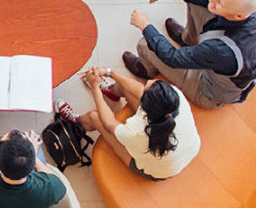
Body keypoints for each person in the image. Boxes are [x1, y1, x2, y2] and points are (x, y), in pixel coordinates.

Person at [122, 0, 256, 109]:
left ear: (240, 16)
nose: (213, 0)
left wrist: (145, 26)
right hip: (218, 61)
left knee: (145, 44)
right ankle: (187, 40)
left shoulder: (222, 51)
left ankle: (149, 71)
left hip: (207, 90)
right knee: (195, 0)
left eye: (220, 3)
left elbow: (172, 57)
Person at [56, 68, 200, 180]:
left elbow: (109, 123)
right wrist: (109, 72)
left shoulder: (136, 132)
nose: (147, 82)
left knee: (95, 117)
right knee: (126, 87)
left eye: (146, 87)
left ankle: (78, 121)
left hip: (159, 170)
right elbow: (138, 90)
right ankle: (112, 91)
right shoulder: (174, 97)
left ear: (147, 111)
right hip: (186, 150)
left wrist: (95, 86)